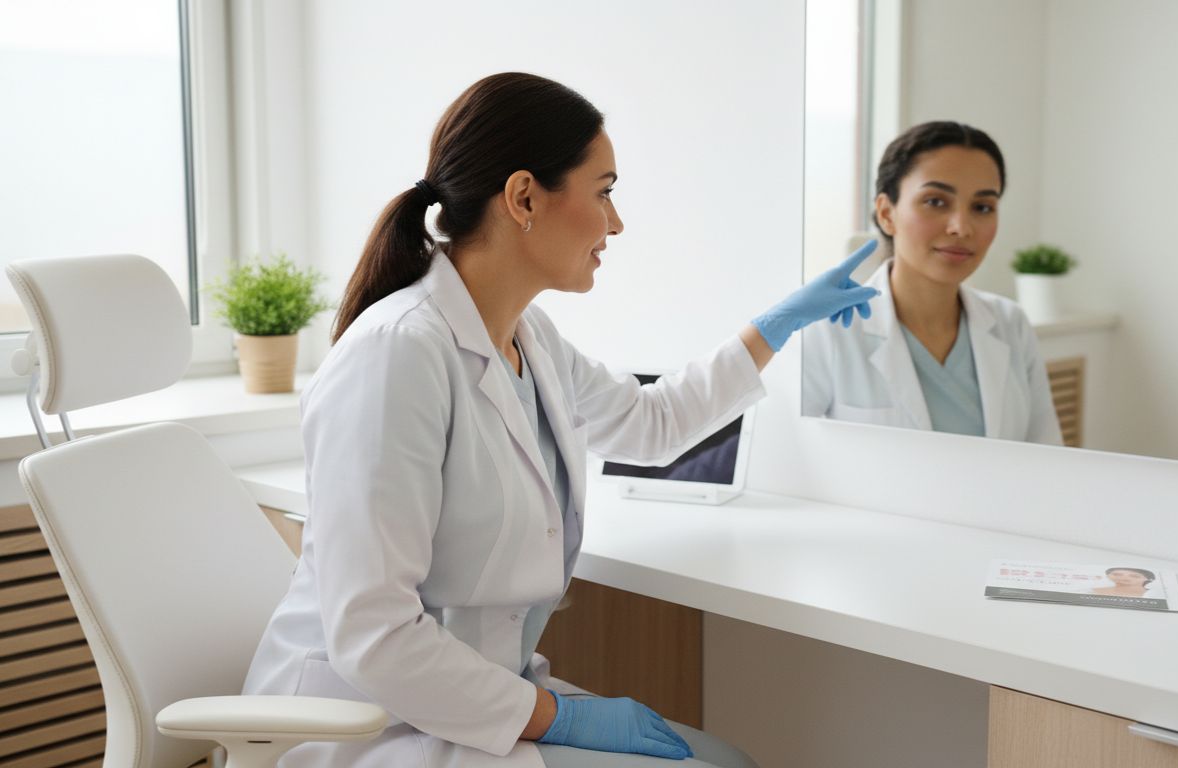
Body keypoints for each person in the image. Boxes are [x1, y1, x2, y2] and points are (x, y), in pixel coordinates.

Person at [241, 72, 877, 768]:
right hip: (365, 724)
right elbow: (373, 634)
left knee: (725, 760)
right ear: (523, 198)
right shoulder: (398, 355)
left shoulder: (527, 337)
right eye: (604, 192)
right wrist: (558, 717)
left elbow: (650, 423)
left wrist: (773, 328)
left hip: (469, 703)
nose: (617, 221)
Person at [802, 121, 1063, 445]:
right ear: (886, 213)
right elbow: (786, 466)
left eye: (982, 207)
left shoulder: (1011, 324)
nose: (961, 227)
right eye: (936, 201)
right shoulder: (828, 330)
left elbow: (1047, 459)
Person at [1091, 567, 1159, 598]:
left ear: (1149, 579)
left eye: (1135, 576)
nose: (1124, 578)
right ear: (1108, 576)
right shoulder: (1092, 591)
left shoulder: (1155, 594)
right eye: (1117, 574)